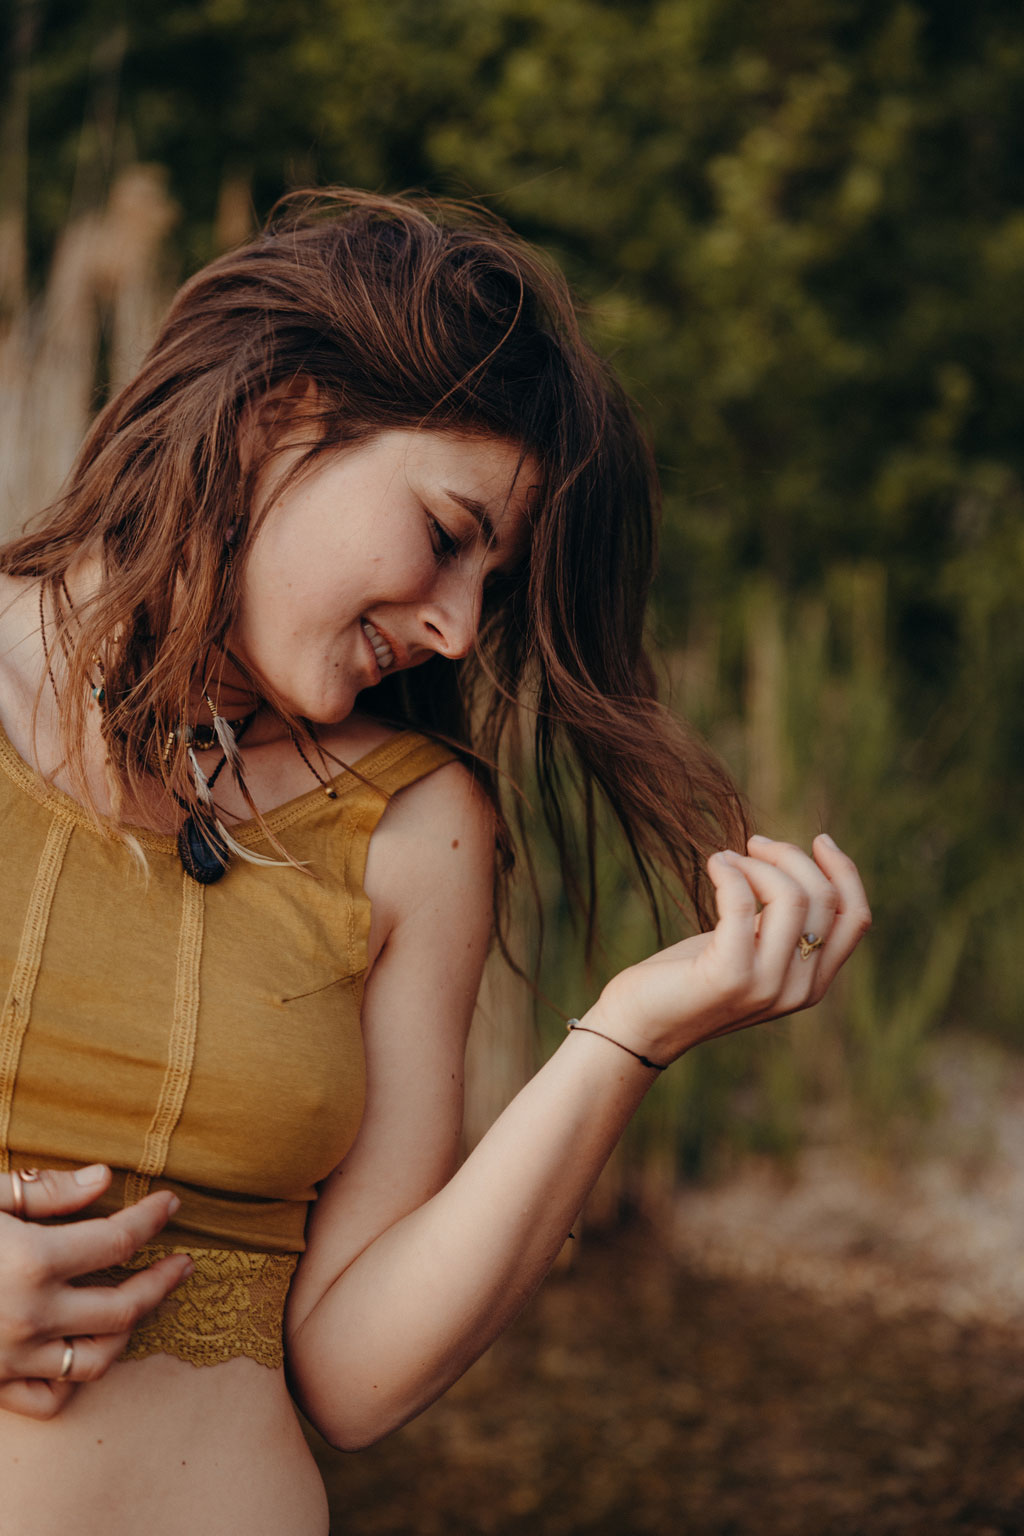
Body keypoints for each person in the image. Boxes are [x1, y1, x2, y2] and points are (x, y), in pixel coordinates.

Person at [0, 189, 870, 1536]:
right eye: (451, 534)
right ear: (279, 414)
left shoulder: (417, 825)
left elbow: (353, 1376)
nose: (462, 632)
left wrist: (627, 1035)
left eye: (493, 587)